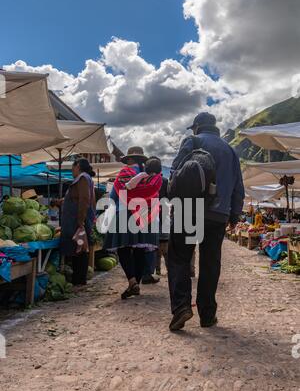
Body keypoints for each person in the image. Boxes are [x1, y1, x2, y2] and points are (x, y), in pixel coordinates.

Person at [168, 112, 245, 331]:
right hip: (218, 215)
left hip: (188, 210)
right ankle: (207, 315)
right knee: (211, 263)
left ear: (197, 127)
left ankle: (182, 307)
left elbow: (175, 171)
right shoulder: (231, 150)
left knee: (179, 258)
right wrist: (234, 215)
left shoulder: (193, 141)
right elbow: (238, 186)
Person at [104, 147, 162, 300]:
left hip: (125, 213)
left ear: (130, 160)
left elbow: (114, 196)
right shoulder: (150, 176)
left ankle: (132, 280)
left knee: (123, 248)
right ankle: (135, 283)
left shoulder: (125, 173)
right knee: (140, 249)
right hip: (144, 214)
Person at [60, 158, 96, 287]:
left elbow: (84, 199)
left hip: (77, 221)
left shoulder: (82, 178)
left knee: (79, 249)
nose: (71, 171)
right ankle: (79, 279)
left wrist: (80, 221)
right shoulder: (86, 178)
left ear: (78, 166)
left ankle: (79, 280)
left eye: (72, 168)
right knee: (79, 248)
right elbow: (78, 198)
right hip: (78, 220)